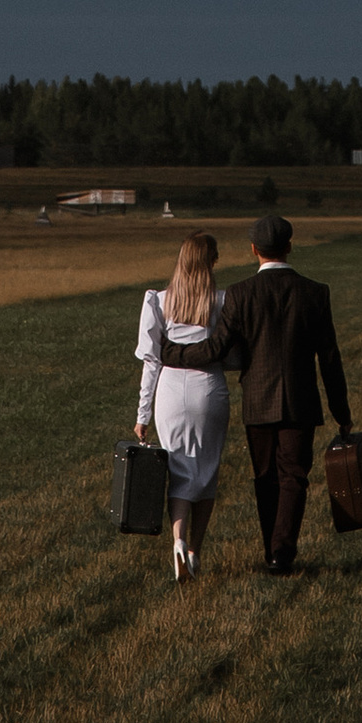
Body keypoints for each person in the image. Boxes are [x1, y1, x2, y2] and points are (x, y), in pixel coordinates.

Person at [209, 208, 352, 576]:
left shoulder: (239, 294)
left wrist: (174, 354)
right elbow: (330, 358)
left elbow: (220, 347)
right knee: (294, 476)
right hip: (301, 399)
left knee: (265, 477)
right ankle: (281, 552)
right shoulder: (316, 293)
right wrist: (342, 410)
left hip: (257, 399)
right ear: (290, 246)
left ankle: (271, 549)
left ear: (253, 249)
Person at [134, 230, 228, 581]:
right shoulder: (220, 301)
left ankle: (178, 539)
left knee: (179, 469)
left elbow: (151, 361)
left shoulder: (158, 301)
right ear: (211, 262)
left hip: (170, 390)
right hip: (209, 387)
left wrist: (142, 413)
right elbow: (230, 355)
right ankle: (195, 552)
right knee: (207, 471)